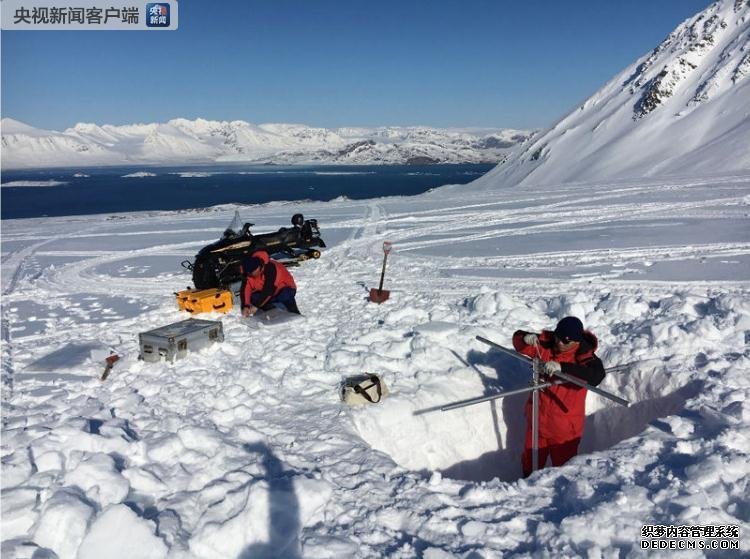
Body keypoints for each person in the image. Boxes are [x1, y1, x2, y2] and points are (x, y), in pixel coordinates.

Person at [512, 316, 605, 477]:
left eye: (566, 341)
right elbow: (519, 342)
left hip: (565, 430)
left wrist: (562, 368)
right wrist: (524, 338)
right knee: (530, 463)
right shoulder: (547, 347)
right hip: (537, 423)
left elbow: (597, 376)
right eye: (558, 338)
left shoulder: (585, 357)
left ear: (577, 341)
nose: (560, 343)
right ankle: (526, 491)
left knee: (564, 471)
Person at [240, 251, 300, 317]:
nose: (251, 274)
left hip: (283, 289)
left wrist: (257, 306)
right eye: (249, 273)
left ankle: (294, 312)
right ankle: (272, 312)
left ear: (259, 267)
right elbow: (246, 289)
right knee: (253, 297)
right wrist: (246, 305)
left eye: (253, 272)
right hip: (268, 293)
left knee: (286, 295)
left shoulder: (271, 268)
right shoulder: (248, 273)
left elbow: (269, 289)